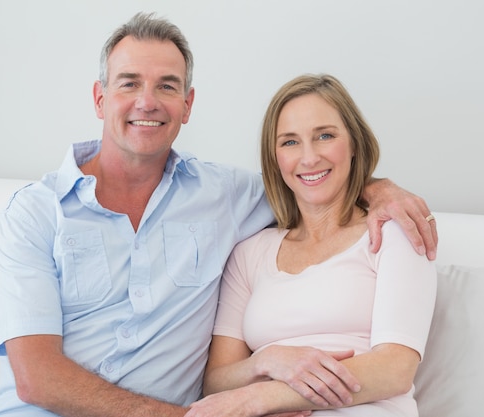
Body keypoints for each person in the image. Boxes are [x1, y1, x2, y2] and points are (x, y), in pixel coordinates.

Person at [0, 13, 438, 417]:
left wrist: (379, 190)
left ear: (188, 104)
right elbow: (36, 378)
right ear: (100, 99)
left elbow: (311, 178)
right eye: (129, 83)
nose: (148, 101)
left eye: (167, 86)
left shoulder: (224, 195)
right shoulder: (35, 213)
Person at [185, 74, 437, 417]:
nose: (309, 157)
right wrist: (268, 361)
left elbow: (395, 369)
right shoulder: (250, 252)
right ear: (274, 158)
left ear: (354, 145)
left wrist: (267, 397)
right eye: (289, 142)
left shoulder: (392, 230)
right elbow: (217, 382)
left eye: (325, 136)